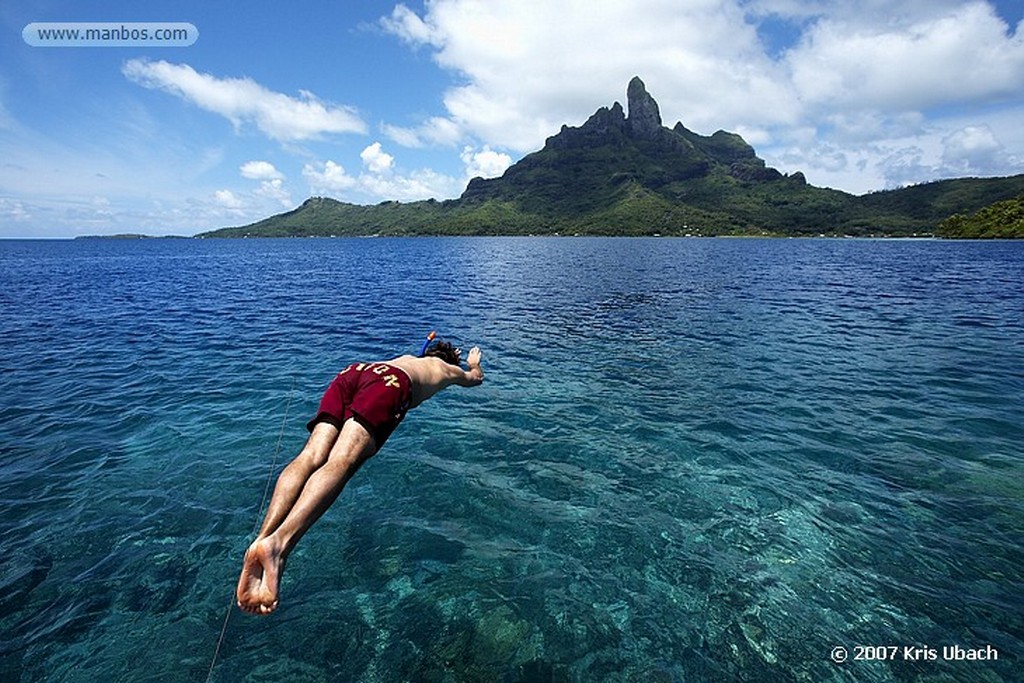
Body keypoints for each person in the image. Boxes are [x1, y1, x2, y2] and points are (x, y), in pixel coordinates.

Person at [235, 338, 484, 615]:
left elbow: (422, 355)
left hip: (355, 371)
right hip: (391, 383)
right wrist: (472, 364)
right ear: (449, 359)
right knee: (342, 460)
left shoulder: (407, 357)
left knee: (310, 456)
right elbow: (475, 379)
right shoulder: (446, 369)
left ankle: (262, 539)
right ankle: (278, 546)